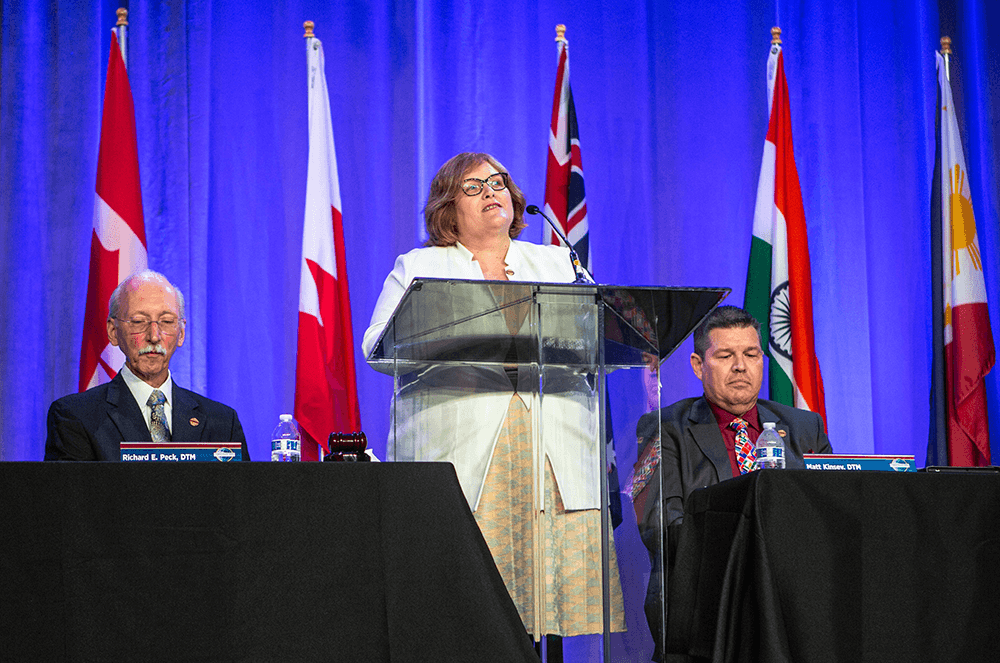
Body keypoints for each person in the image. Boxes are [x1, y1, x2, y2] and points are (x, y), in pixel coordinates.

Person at [362, 152, 625, 641]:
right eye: (474, 187)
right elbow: (378, 346)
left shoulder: (553, 260)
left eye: (498, 182)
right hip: (465, 452)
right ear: (447, 208)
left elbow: (605, 333)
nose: (491, 192)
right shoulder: (421, 266)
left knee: (546, 615)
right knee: (469, 612)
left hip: (551, 449)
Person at [631, 305, 831, 660]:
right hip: (708, 606)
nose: (741, 366)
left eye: (751, 354)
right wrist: (748, 546)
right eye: (725, 355)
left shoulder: (804, 427)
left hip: (793, 604)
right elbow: (659, 526)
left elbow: (831, 508)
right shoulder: (664, 428)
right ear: (698, 365)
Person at [45, 270, 249, 461]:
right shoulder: (76, 417)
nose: (154, 336)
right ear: (113, 332)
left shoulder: (222, 422)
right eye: (139, 321)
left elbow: (240, 497)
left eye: (166, 321)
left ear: (181, 333)